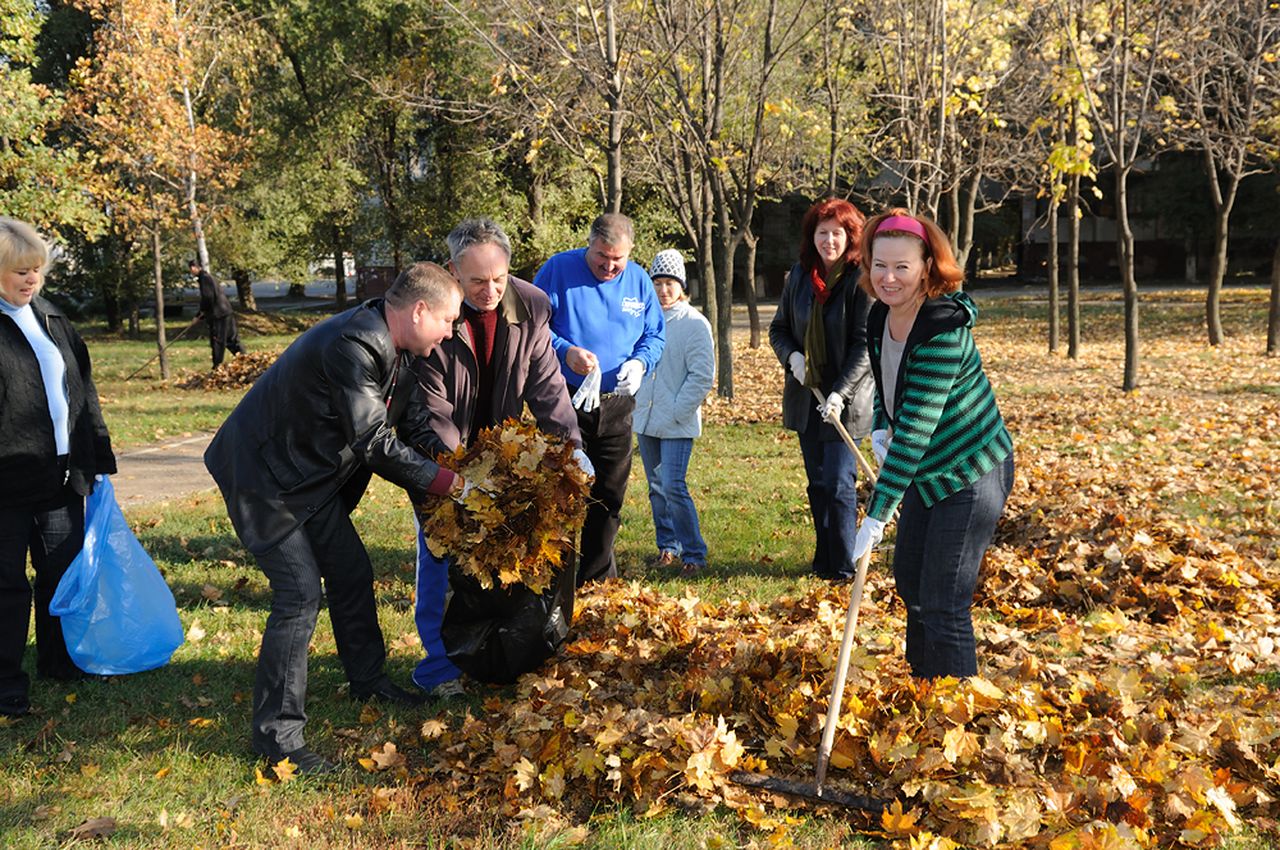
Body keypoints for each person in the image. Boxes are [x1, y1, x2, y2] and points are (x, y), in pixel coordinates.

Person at [204, 261, 465, 775]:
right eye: (448, 320)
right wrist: (447, 484)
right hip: (264, 477)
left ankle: (368, 682)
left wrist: (453, 465)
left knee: (351, 573)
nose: (451, 331)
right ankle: (277, 739)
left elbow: (411, 425)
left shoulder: (404, 351)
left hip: (309, 480)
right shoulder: (355, 344)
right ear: (418, 311)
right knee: (299, 595)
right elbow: (374, 442)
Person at [409, 217, 590, 695]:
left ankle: (495, 653)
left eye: (498, 278)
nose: (489, 291)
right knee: (440, 553)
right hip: (440, 455)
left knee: (503, 555)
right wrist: (461, 477)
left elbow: (548, 386)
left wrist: (573, 448)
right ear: (453, 272)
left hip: (501, 450)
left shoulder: (531, 305)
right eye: (476, 281)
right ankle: (439, 667)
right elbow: (433, 412)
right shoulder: (434, 316)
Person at [850, 209, 1015, 679]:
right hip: (925, 470)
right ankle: (924, 688)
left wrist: (878, 512)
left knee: (944, 598)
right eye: (880, 264)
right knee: (911, 584)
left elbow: (918, 429)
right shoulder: (880, 316)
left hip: (969, 469)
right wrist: (882, 428)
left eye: (902, 266)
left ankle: (958, 707)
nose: (889, 277)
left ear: (927, 266)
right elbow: (889, 391)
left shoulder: (943, 328)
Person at [0, 217, 117, 719]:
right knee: (6, 585)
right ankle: (6, 682)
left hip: (61, 477)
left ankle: (60, 661)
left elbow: (82, 390)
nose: (31, 280)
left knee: (61, 573)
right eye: (20, 271)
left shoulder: (51, 318)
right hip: (5, 483)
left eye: (37, 270)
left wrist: (98, 456)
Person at [534, 213, 665, 585]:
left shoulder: (639, 281)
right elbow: (532, 328)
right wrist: (564, 351)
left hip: (616, 404)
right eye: (601, 257)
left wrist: (641, 364)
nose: (609, 266)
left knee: (609, 493)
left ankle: (596, 579)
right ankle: (554, 580)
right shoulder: (558, 270)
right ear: (588, 244)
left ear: (631, 253)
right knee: (563, 491)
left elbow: (654, 335)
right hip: (563, 400)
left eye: (617, 259)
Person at [768, 198, 874, 581]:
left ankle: (844, 565)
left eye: (837, 233)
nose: (829, 240)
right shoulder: (799, 277)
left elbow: (865, 345)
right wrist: (792, 357)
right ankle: (824, 559)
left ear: (851, 236)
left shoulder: (860, 280)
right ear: (811, 236)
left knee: (838, 483)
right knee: (817, 483)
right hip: (807, 395)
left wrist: (840, 393)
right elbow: (778, 329)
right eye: (822, 232)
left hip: (845, 400)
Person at [632, 249, 714, 577]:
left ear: (682, 286)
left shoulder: (694, 324)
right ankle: (667, 546)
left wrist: (679, 410)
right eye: (658, 283)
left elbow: (702, 375)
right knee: (655, 486)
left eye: (670, 283)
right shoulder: (643, 319)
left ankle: (693, 553)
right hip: (646, 417)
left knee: (673, 485)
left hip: (677, 421)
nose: (663, 290)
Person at [189, 259, 242, 368]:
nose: (191, 271)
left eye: (191, 269)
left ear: (195, 267)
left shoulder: (205, 279)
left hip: (218, 315)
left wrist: (199, 315)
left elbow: (208, 298)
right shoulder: (208, 278)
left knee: (218, 341)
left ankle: (217, 367)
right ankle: (244, 358)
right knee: (231, 339)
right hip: (226, 311)